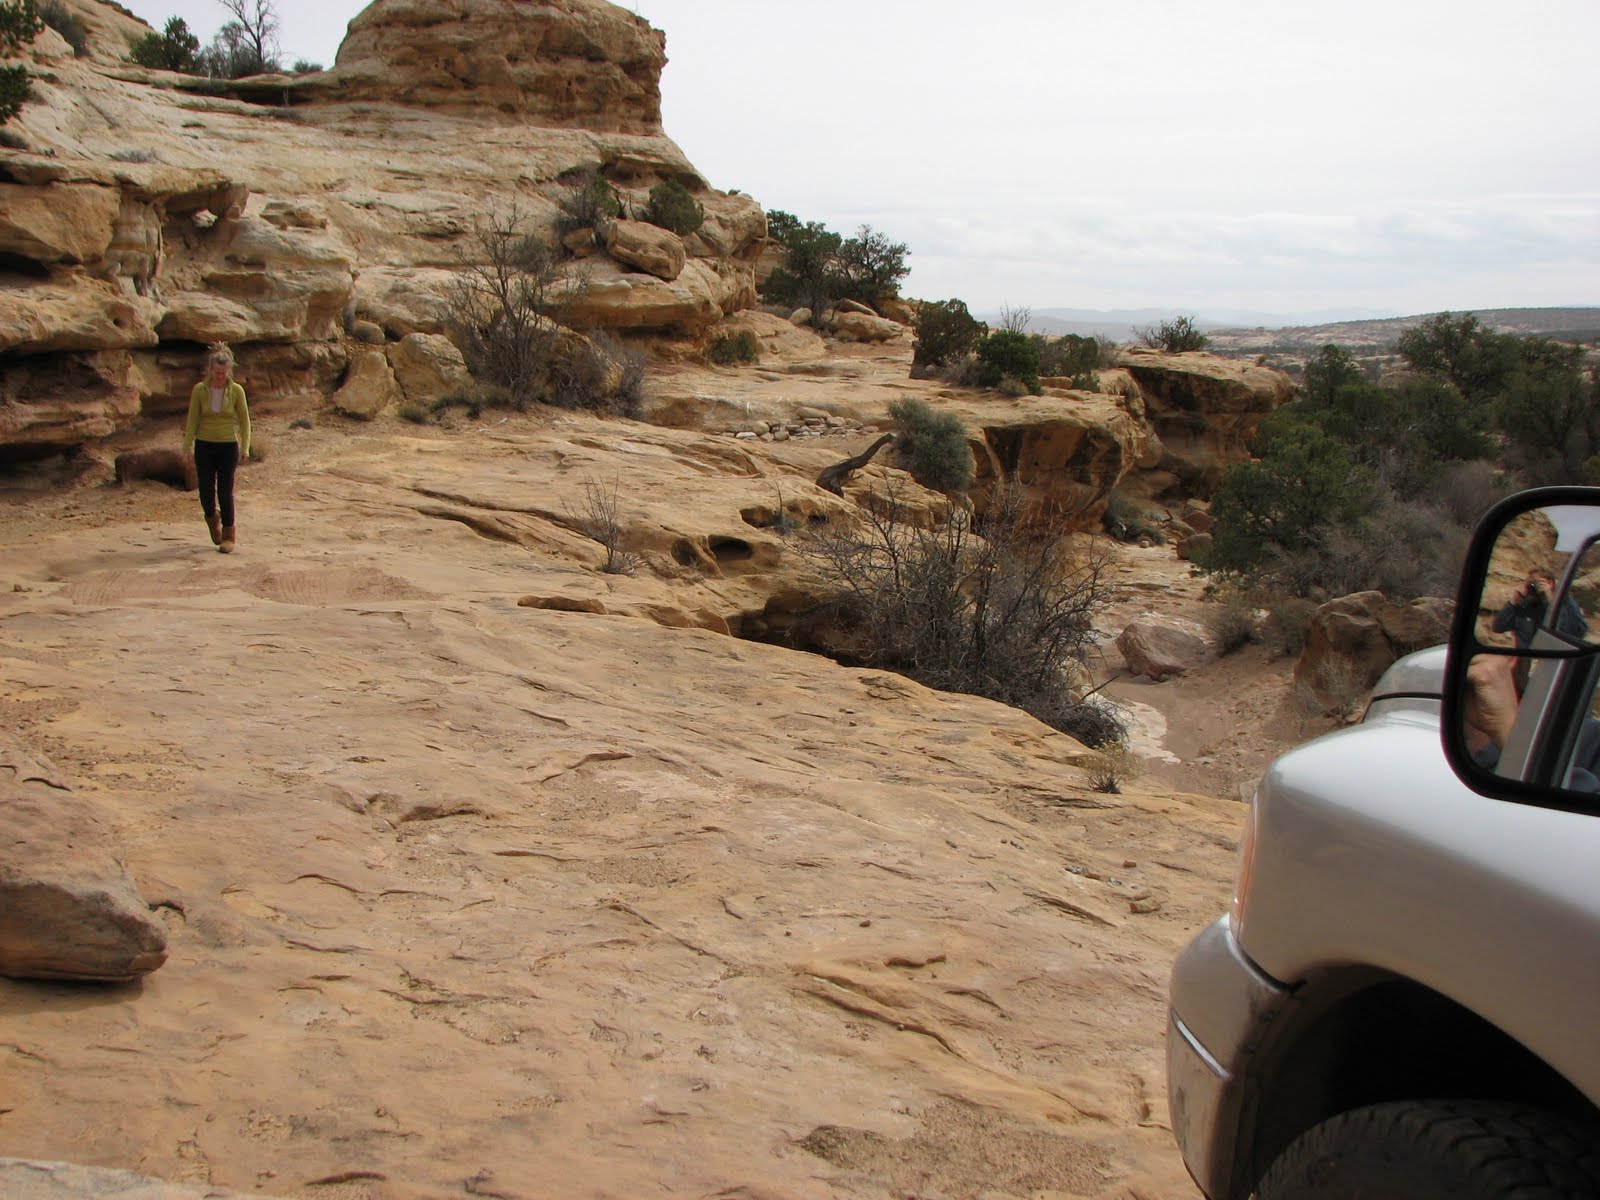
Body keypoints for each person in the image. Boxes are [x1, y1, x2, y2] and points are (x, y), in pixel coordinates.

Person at [182, 345, 251, 554]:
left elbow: (244, 421)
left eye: (224, 373)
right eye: (217, 372)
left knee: (225, 490)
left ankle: (229, 534)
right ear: (211, 370)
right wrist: (187, 446)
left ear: (229, 370)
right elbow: (193, 419)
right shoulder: (199, 390)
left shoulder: (237, 391)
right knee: (205, 491)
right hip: (204, 444)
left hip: (228, 445)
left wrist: (245, 447)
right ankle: (213, 520)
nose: (220, 376)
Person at [1492, 568, 1589, 649]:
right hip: (1525, 659)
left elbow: (1578, 632)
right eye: (1529, 582)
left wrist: (1551, 600)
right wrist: (1512, 602)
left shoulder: (1565, 602)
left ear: (1549, 583)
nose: (1532, 586)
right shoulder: (1525, 606)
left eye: (1535, 582)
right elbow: (1498, 627)